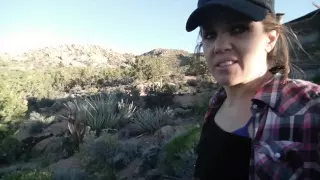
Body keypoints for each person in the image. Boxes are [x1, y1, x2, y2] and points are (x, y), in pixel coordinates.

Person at [185, 0, 320, 179]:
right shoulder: (217, 102)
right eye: (210, 34)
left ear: (270, 39)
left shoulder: (310, 106)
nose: (219, 46)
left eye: (238, 29)